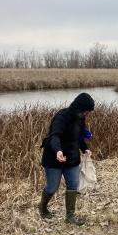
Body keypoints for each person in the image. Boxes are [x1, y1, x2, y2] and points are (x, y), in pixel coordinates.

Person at [38, 92, 95, 226]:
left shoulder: (81, 118)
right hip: (54, 157)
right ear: (80, 107)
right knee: (52, 188)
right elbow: (55, 136)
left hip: (72, 157)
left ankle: (70, 216)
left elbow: (79, 137)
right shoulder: (62, 116)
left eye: (89, 111)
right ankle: (42, 206)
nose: (87, 113)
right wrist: (58, 151)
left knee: (73, 186)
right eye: (86, 110)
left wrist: (84, 148)